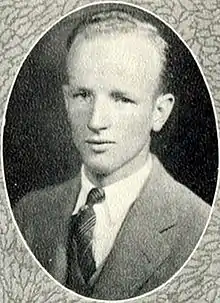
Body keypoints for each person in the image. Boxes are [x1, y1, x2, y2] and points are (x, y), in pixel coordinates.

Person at [13, 8, 211, 300]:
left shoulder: (200, 230)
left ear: (159, 112)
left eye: (121, 99)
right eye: (83, 95)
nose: (95, 121)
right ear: (67, 100)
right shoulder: (29, 214)